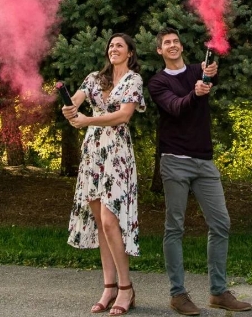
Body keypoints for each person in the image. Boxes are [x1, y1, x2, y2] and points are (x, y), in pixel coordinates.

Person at [148, 27, 252, 315]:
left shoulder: (198, 68)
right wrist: (196, 92)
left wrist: (210, 73)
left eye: (176, 41)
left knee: (221, 223)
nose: (172, 45)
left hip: (204, 162)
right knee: (175, 227)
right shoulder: (157, 83)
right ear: (159, 50)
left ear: (181, 46)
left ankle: (218, 292)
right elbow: (176, 107)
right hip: (175, 161)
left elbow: (209, 75)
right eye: (166, 43)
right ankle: (178, 294)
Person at [62, 33, 145, 316]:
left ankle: (126, 288)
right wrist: (69, 107)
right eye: (110, 45)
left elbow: (123, 116)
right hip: (93, 153)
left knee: (111, 220)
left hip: (117, 153)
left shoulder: (133, 80)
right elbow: (76, 99)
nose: (113, 49)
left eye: (119, 45)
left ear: (130, 53)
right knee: (100, 221)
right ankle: (109, 287)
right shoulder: (95, 77)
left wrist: (87, 120)